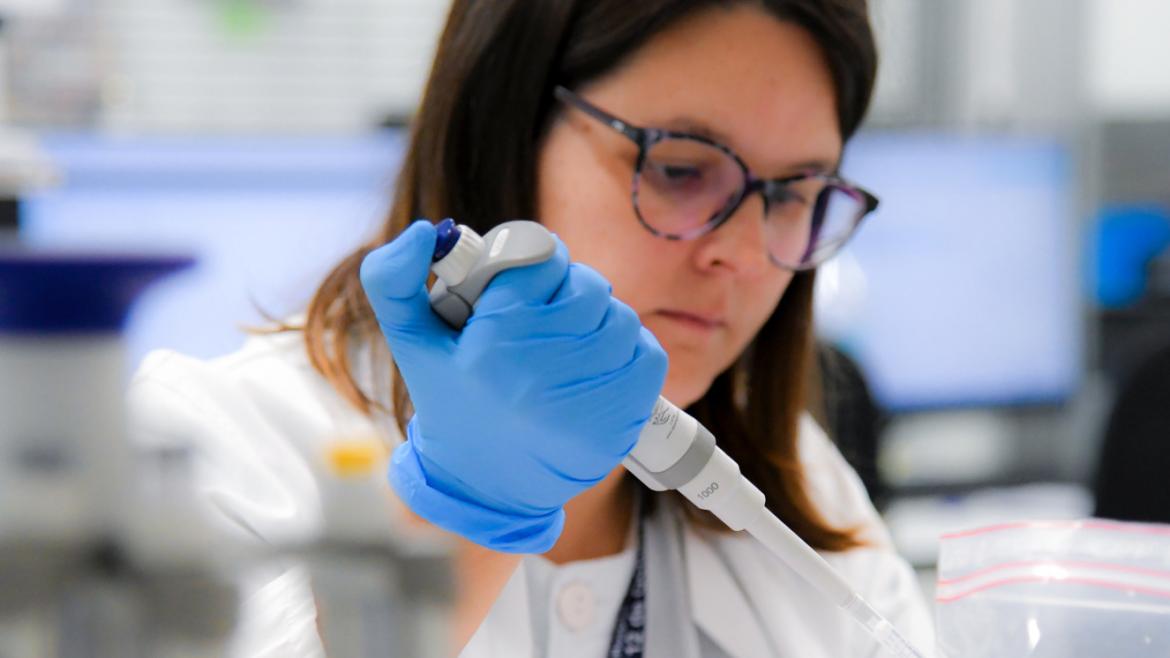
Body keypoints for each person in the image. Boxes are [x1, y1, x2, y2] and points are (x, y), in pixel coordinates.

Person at [128, 1, 935, 656]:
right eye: (682, 170)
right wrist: (459, 516)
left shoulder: (797, 491)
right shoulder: (205, 451)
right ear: (504, 126)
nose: (744, 256)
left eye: (794, 193)